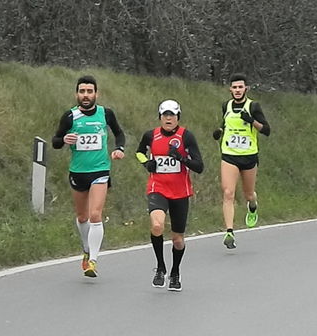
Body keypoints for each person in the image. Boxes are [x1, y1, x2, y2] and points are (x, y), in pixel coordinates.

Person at [52, 75, 126, 277]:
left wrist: (119, 148)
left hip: (100, 170)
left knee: (95, 215)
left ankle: (93, 260)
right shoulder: (70, 116)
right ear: (77, 94)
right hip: (78, 172)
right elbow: (56, 141)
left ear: (96, 94)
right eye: (82, 91)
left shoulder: (106, 114)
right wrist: (64, 139)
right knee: (82, 216)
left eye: (89, 91)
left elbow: (120, 134)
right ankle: (86, 249)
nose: (86, 95)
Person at [135, 100, 204, 292]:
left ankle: (175, 271)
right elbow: (139, 152)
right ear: (159, 117)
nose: (168, 118)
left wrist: (181, 158)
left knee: (178, 240)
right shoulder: (151, 135)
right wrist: (147, 164)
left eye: (172, 115)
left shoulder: (186, 137)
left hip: (180, 192)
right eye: (164, 115)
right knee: (157, 225)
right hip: (157, 187)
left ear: (178, 117)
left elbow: (199, 166)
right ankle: (160, 267)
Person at [212, 73, 271, 249]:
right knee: (228, 192)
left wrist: (251, 121)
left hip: (249, 156)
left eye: (240, 87)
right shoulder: (226, 105)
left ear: (246, 88)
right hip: (229, 154)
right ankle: (229, 232)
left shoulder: (253, 106)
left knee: (248, 194)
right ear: (230, 89)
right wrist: (219, 131)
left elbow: (266, 130)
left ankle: (252, 206)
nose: (237, 90)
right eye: (234, 87)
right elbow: (225, 123)